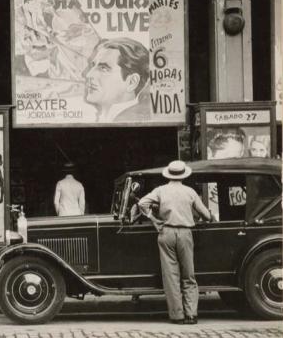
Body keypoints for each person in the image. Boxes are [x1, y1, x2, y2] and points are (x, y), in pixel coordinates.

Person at [137, 160, 214, 325]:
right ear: (183, 175)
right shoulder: (190, 192)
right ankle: (191, 314)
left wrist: (154, 219)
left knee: (171, 276)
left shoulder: (161, 190)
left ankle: (177, 316)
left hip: (166, 232)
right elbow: (206, 215)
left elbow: (142, 203)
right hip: (185, 233)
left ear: (169, 174)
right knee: (189, 274)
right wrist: (204, 216)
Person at [83, 37, 151, 123]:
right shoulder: (109, 118)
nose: (89, 75)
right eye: (93, 66)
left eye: (103, 68)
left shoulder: (133, 121)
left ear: (132, 82)